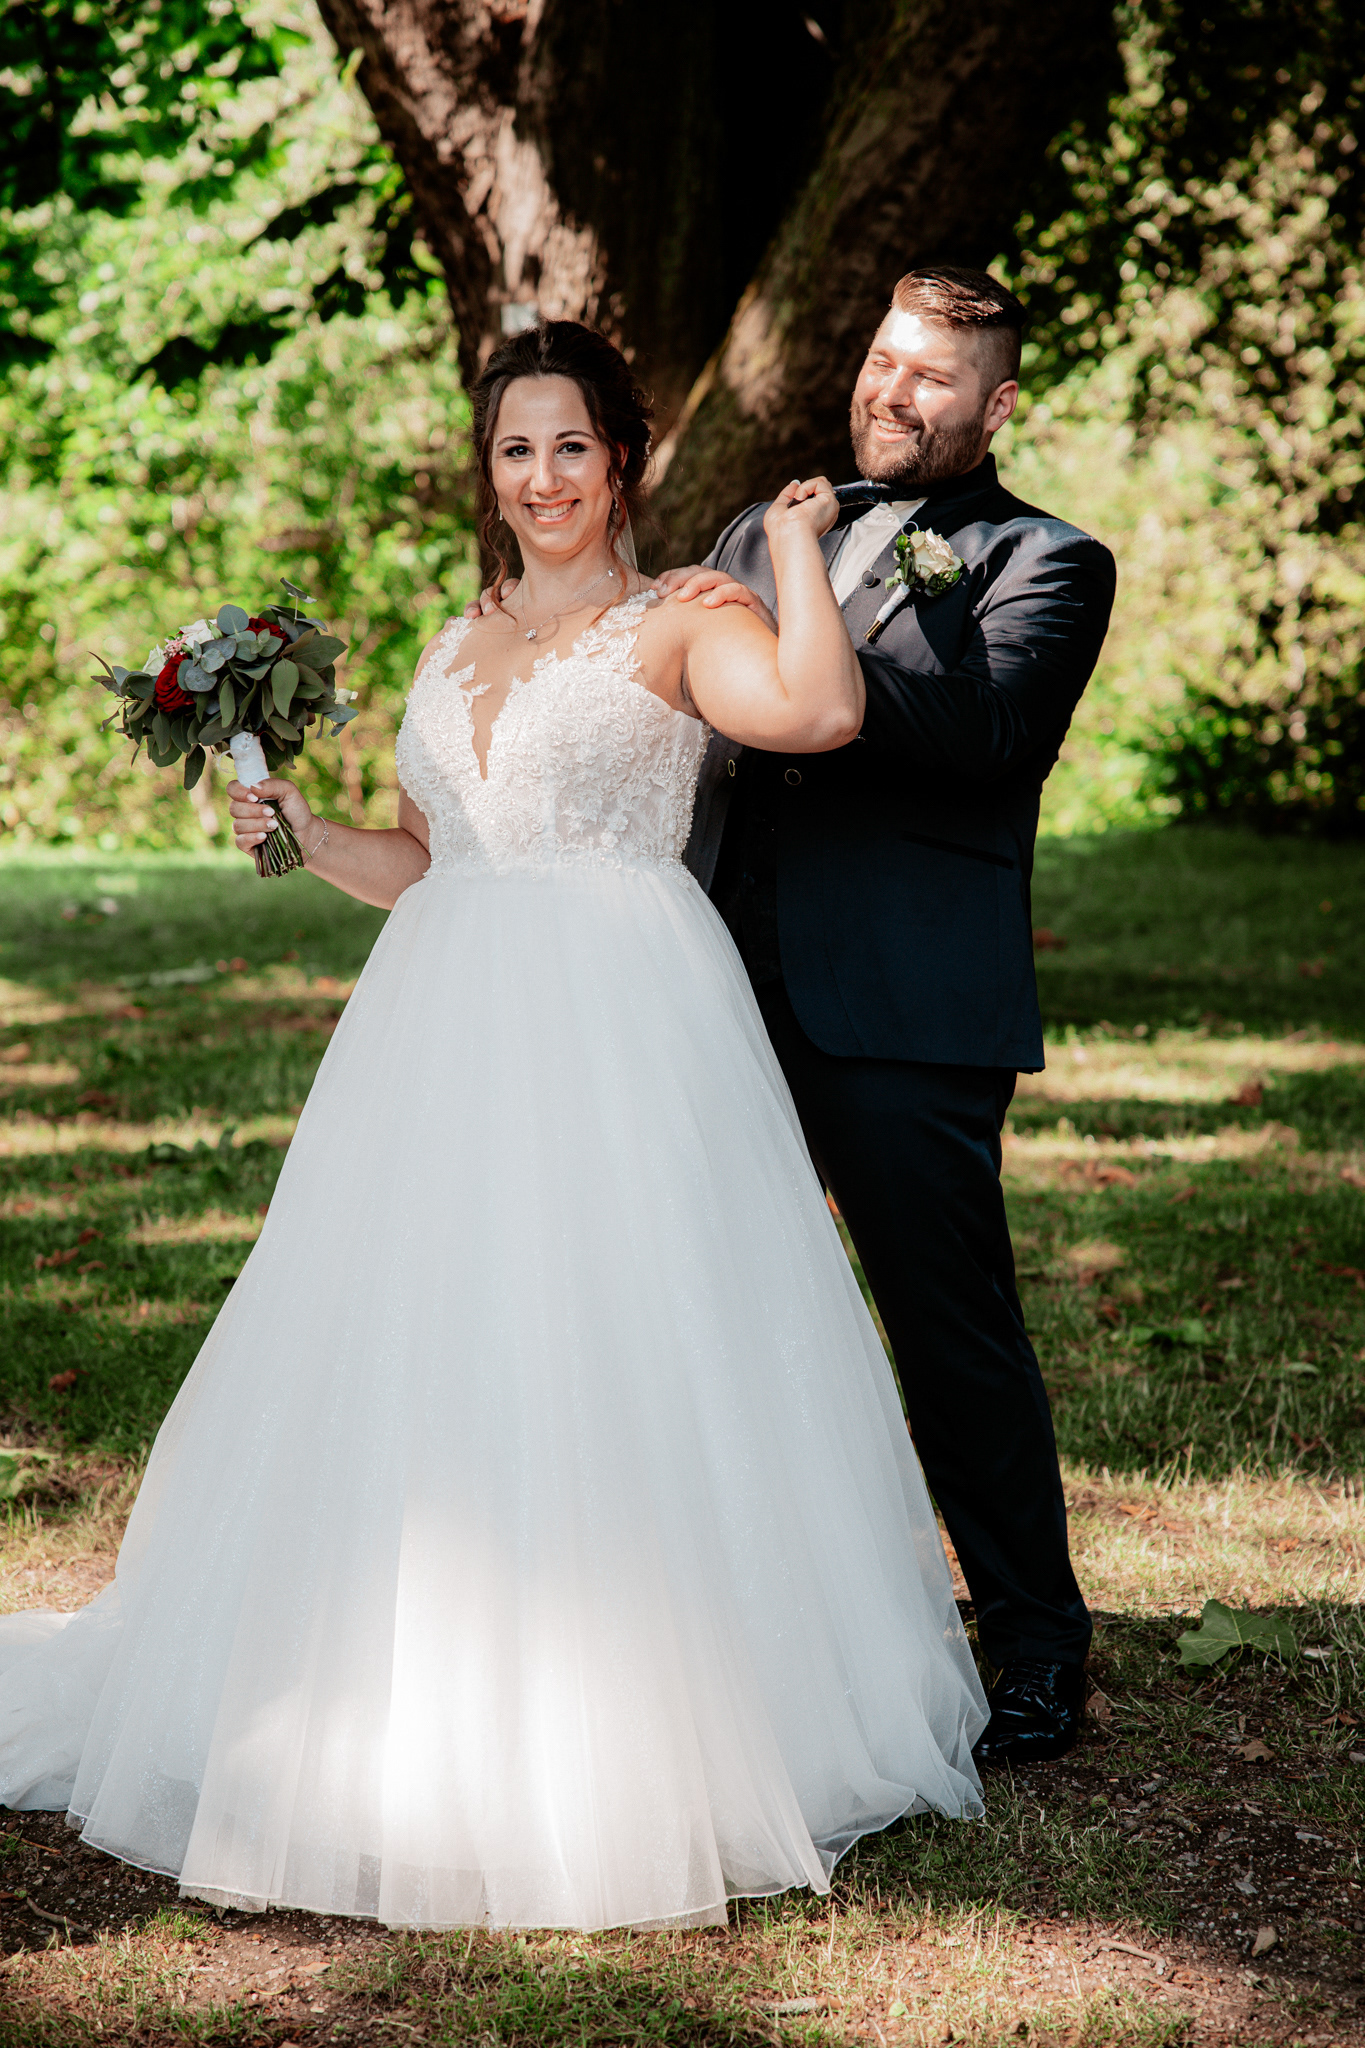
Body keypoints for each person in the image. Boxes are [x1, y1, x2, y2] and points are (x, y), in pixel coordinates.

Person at [0, 321, 986, 1934]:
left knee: (613, 1339)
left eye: (572, 449)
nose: (543, 481)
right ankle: (377, 1695)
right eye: (515, 451)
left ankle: (641, 1716)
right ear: (492, 470)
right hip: (435, 1031)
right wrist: (306, 832)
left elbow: (812, 714)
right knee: (415, 1341)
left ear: (623, 460)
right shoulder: (451, 642)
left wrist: (797, 550)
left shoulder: (685, 617)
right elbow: (429, 858)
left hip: (618, 1026)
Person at [661, 266, 1118, 1766]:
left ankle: (1038, 1647)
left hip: (909, 1012)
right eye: (879, 361)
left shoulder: (1045, 558)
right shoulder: (765, 521)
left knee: (949, 1336)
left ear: (994, 405)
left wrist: (802, 629)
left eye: (931, 377)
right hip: (720, 981)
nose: (890, 392)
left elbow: (987, 735)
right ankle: (740, 1633)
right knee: (716, 1314)